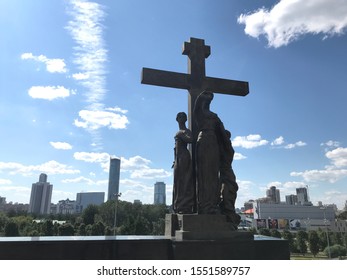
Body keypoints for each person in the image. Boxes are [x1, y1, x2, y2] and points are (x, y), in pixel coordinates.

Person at [194, 91, 226, 214]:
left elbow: (222, 132)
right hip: (203, 141)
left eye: (210, 99)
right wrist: (200, 96)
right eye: (206, 99)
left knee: (213, 173)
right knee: (204, 172)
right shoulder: (200, 114)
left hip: (213, 142)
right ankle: (204, 204)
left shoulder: (214, 116)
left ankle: (213, 203)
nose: (208, 101)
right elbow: (196, 107)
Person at [172, 112, 195, 214]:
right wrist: (174, 160)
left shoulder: (186, 131)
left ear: (185, 119)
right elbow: (175, 149)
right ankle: (178, 205)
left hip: (184, 157)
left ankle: (185, 205)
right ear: (177, 119)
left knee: (185, 181)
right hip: (178, 158)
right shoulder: (180, 132)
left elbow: (191, 139)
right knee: (178, 182)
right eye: (179, 117)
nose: (181, 118)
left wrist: (182, 135)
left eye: (183, 117)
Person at [219, 129, 241, 226]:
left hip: (227, 175)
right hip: (223, 176)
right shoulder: (223, 148)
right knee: (224, 195)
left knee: (227, 195)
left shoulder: (228, 149)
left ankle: (229, 216)